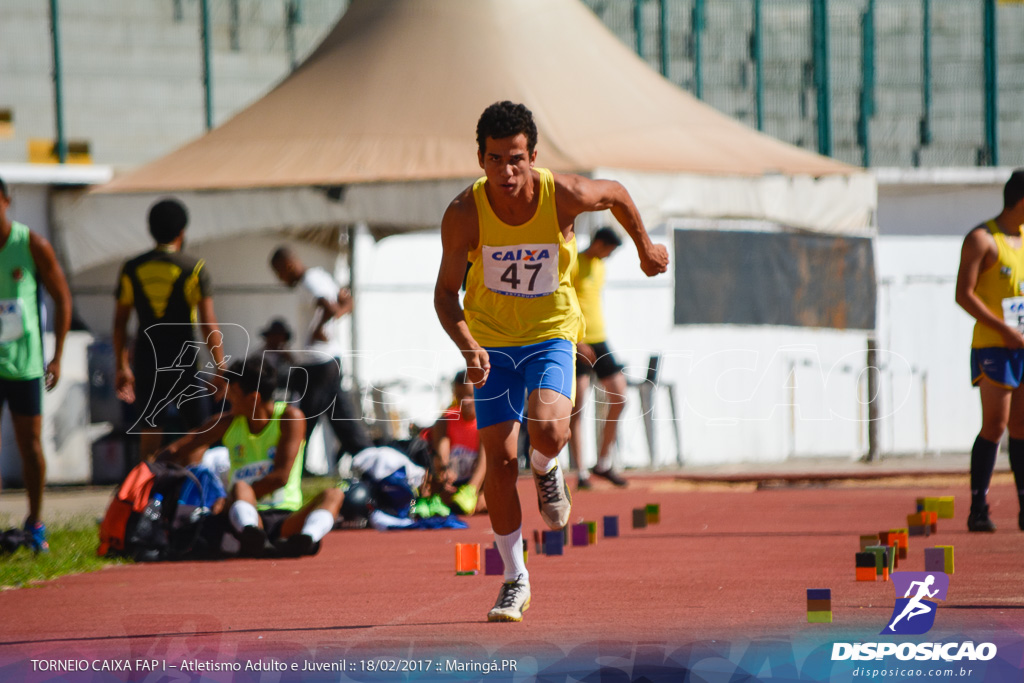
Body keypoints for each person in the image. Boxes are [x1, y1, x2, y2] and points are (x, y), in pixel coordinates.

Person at [434, 101, 668, 622]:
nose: (506, 171)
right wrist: (468, 346)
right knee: (496, 461)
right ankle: (514, 579)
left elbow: (616, 194)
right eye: (495, 159)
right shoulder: (464, 213)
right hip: (492, 345)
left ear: (533, 155)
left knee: (548, 431)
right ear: (480, 159)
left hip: (550, 334)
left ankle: (546, 467)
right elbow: (446, 296)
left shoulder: (562, 194)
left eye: (516, 158)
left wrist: (645, 247)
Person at [157, 355, 342, 557]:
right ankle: (253, 535)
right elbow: (179, 449)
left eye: (233, 393)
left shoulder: (290, 417)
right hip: (243, 513)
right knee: (240, 487)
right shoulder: (226, 422)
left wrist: (231, 498)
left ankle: (306, 539)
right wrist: (149, 469)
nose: (228, 399)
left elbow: (281, 478)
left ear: (254, 398)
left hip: (286, 518)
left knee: (334, 494)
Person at [113, 198, 225, 461]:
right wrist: (220, 366)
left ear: (150, 229)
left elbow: (120, 323)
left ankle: (145, 496)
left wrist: (122, 365)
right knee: (198, 435)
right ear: (182, 231)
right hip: (183, 361)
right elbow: (207, 322)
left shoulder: (132, 268)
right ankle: (193, 496)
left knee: (149, 437)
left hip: (146, 361)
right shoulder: (193, 268)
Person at [0, 176, 72, 553]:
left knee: (30, 446)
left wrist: (57, 355)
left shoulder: (31, 244)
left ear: (6, 200)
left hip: (24, 364)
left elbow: (63, 299)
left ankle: (35, 522)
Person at [954, 168, 1024, 532]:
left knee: (1023, 426)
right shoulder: (983, 239)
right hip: (995, 345)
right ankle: (978, 507)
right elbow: (963, 294)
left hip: (1022, 346)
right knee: (996, 425)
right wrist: (1004, 329)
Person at [269, 247, 372, 471]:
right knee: (341, 417)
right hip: (322, 361)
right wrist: (328, 321)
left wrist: (320, 328)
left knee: (302, 418)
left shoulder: (309, 281)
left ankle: (293, 468)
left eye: (279, 273)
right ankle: (368, 457)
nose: (280, 279)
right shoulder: (320, 276)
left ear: (288, 265)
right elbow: (347, 303)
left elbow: (329, 306)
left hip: (318, 363)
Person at [569, 226, 629, 489]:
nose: (609, 256)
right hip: (577, 342)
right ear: (599, 243)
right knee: (578, 405)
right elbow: (565, 302)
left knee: (619, 395)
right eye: (609, 250)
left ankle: (603, 462)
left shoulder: (600, 267)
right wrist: (576, 340)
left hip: (600, 339)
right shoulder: (574, 262)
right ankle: (581, 472)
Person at [421, 371, 487, 516]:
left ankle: (470, 494)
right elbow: (441, 451)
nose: (465, 401)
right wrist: (444, 471)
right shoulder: (445, 421)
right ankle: (440, 499)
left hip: (478, 483)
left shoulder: (486, 420)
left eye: (470, 395)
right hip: (454, 482)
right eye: (460, 396)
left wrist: (473, 489)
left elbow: (486, 460)